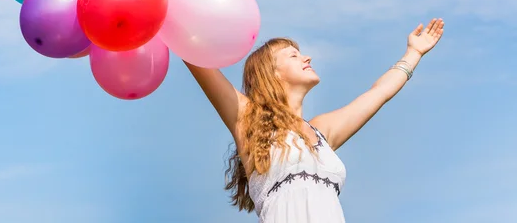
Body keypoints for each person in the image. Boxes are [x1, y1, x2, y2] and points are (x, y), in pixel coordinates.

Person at [185, 18, 445, 222]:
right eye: (293, 55)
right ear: (271, 73)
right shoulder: (247, 119)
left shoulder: (323, 131)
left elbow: (379, 93)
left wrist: (413, 53)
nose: (306, 57)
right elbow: (195, 58)